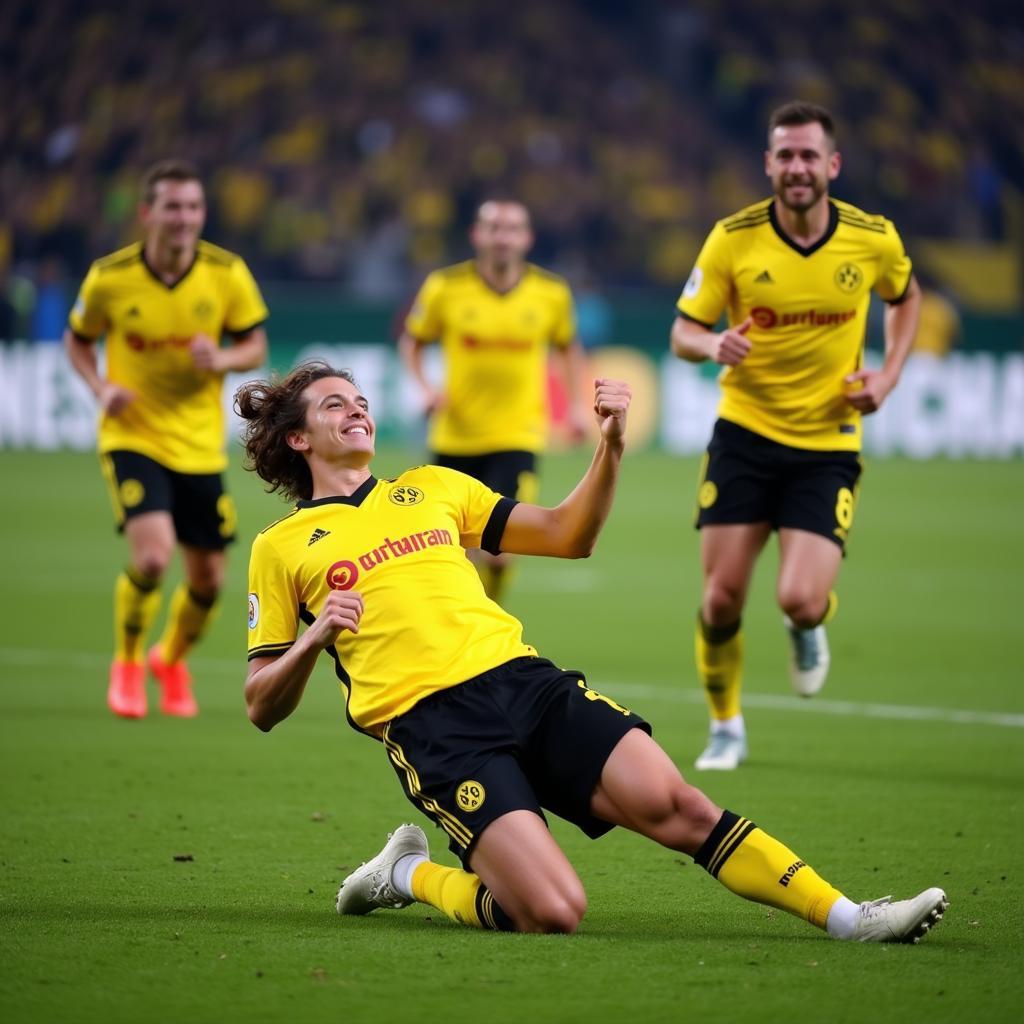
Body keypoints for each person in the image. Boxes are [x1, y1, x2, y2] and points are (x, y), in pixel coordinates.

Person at [236, 360, 946, 942]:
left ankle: (851, 917)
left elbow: (568, 536)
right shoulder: (281, 548)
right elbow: (260, 703)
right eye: (334, 405)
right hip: (438, 731)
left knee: (681, 806)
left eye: (360, 400)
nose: (357, 409)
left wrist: (610, 445)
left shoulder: (432, 488)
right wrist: (313, 637)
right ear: (297, 439)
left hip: (524, 683)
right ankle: (408, 876)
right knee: (551, 912)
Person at [670, 101, 921, 771]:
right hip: (745, 435)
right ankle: (726, 727)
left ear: (832, 164)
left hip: (828, 441)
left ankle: (808, 629)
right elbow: (681, 332)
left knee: (800, 599)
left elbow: (905, 297)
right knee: (721, 599)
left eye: (810, 155)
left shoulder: (872, 238)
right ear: (769, 165)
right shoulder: (733, 237)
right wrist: (711, 342)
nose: (798, 167)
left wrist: (890, 376)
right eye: (786, 155)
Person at [64, 159, 269, 719]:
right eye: (173, 207)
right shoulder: (110, 277)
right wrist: (100, 386)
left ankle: (170, 659)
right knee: (153, 559)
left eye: (194, 207)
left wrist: (222, 356)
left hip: (200, 444)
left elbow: (254, 344)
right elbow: (77, 341)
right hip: (134, 436)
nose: (184, 218)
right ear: (148, 212)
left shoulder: (226, 273)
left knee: (209, 579)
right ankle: (127, 662)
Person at [397, 199, 589, 604]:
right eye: (493, 227)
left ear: (527, 238)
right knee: (455, 549)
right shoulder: (444, 287)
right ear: (477, 235)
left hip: (517, 436)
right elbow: (411, 342)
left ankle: (490, 612)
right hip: (455, 437)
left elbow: (569, 349)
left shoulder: (551, 293)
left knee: (500, 551)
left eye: (512, 229)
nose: (502, 237)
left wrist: (574, 406)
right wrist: (425, 388)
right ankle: (464, 623)